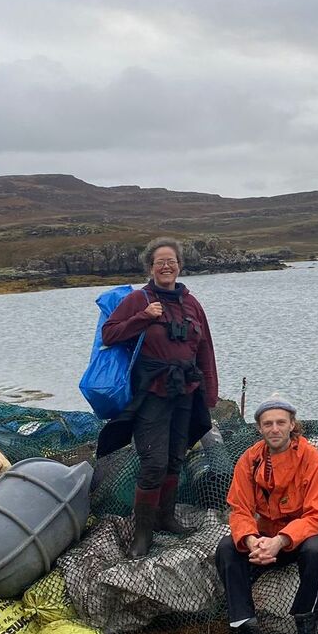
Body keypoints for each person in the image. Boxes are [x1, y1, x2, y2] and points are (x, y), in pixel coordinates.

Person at [96, 237, 218, 559]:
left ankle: (166, 518)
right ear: (150, 267)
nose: (167, 266)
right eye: (160, 262)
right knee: (153, 463)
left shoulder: (192, 303)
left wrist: (210, 392)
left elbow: (204, 349)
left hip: (186, 391)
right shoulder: (139, 299)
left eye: (172, 261)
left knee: (177, 456)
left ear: (180, 265)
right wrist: (144, 318)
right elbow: (109, 334)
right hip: (151, 392)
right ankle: (142, 534)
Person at [216, 397, 318, 634]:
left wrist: (280, 541)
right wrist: (251, 539)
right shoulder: (249, 460)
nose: (274, 429)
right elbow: (239, 509)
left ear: (292, 425)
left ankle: (307, 626)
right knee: (226, 548)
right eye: (267, 423)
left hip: (308, 534)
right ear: (259, 428)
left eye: (280, 422)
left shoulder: (311, 459)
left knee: (315, 551)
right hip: (265, 536)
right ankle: (247, 631)